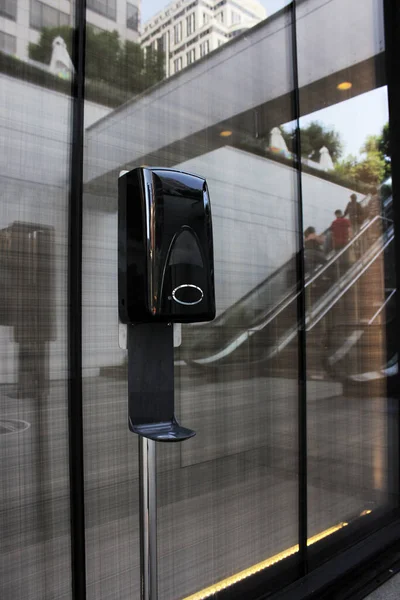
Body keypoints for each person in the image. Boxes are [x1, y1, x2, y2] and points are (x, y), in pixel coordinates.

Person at [330, 209, 351, 276]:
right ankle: (346, 271)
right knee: (345, 257)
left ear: (336, 215)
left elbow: (331, 232)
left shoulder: (334, 223)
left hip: (336, 243)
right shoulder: (345, 221)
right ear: (341, 214)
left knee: (338, 258)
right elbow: (349, 229)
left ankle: (339, 272)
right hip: (344, 242)